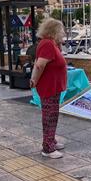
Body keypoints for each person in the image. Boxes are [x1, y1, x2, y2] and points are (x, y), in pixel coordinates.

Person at [30, 18, 67, 159]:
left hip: (53, 86)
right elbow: (39, 65)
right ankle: (47, 148)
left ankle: (51, 140)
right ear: (54, 30)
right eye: (61, 29)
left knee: (53, 115)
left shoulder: (51, 44)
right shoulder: (47, 44)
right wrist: (34, 80)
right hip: (48, 87)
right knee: (49, 117)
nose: (63, 32)